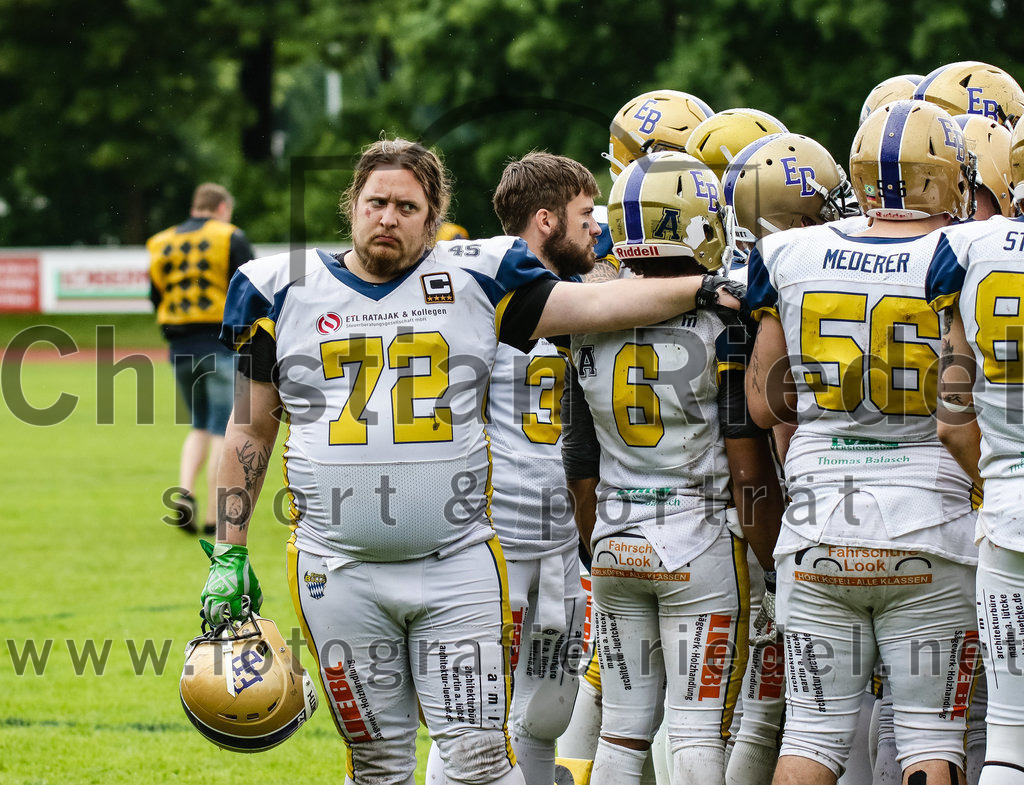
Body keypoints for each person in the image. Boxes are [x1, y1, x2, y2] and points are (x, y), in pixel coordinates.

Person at [198, 137, 743, 785]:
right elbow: (249, 431)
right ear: (353, 204)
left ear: (433, 218)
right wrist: (229, 549)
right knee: (376, 763)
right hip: (335, 566)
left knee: (481, 757)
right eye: (377, 201)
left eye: (407, 205)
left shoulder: (474, 275)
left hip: (455, 564)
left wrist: (704, 288)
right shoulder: (280, 287)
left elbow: (593, 304)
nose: (388, 216)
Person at [745, 99, 981, 785]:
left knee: (812, 736)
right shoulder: (964, 251)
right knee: (930, 738)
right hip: (930, 524)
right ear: (947, 177)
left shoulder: (788, 250)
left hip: (820, 525)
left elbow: (765, 402)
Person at [566, 150, 784, 785]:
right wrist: (770, 563)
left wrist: (594, 539)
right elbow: (747, 469)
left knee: (622, 732)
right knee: (695, 726)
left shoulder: (586, 315)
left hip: (614, 540)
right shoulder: (724, 321)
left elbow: (579, 460)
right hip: (698, 543)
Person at [423, 151, 601, 785]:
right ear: (546, 220)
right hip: (493, 537)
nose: (596, 228)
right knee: (473, 719)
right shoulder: (478, 292)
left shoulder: (581, 295)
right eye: (585, 215)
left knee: (547, 713)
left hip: (558, 536)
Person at [925, 115, 1024, 785]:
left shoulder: (968, 246)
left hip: (1010, 509)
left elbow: (953, 421)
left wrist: (994, 489)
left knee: (1009, 739)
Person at [148, 182, 255, 534]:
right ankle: (212, 517)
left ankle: (185, 492)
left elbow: (155, 295)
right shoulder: (230, 237)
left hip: (180, 348)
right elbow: (250, 288)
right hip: (220, 345)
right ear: (222, 208)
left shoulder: (161, 241)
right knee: (222, 429)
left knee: (198, 425)